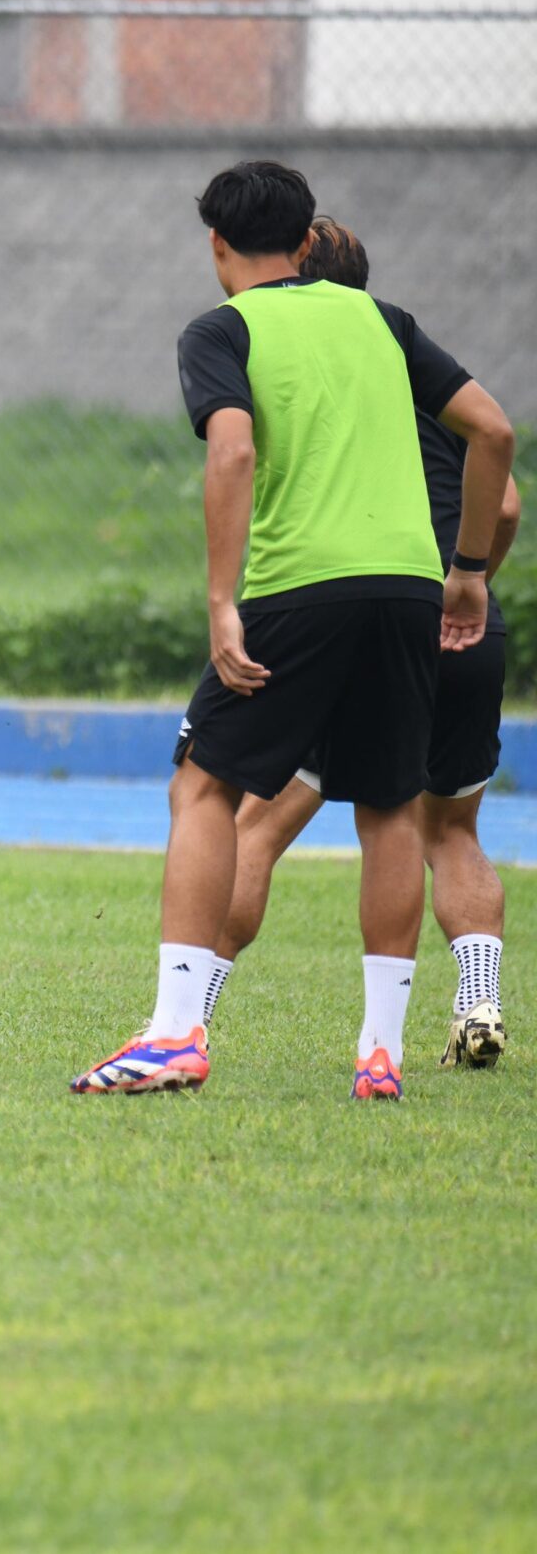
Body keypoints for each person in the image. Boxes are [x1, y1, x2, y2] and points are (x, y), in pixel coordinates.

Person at [72, 160, 511, 1101]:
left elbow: (231, 448)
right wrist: (466, 572)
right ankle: (379, 1054)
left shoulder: (222, 328)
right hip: (409, 589)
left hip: (295, 587)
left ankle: (176, 1033)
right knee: (391, 808)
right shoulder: (383, 321)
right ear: (308, 239)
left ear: (217, 244)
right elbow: (495, 434)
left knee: (204, 787)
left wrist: (223, 601)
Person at [207, 218, 517, 1071]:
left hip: (351, 615)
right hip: (456, 614)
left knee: (257, 826)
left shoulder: (305, 367)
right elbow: (510, 500)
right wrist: (472, 582)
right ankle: (479, 999)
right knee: (446, 829)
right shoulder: (420, 364)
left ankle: (186, 1012)